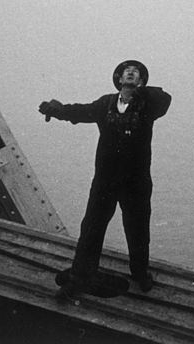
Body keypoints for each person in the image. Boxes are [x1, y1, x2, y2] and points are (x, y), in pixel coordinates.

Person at [39, 60, 171, 300]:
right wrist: (56, 110)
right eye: (126, 72)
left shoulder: (148, 105)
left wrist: (138, 91)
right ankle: (79, 278)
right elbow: (79, 112)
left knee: (138, 229)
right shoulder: (106, 103)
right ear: (118, 79)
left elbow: (165, 99)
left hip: (136, 181)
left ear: (141, 81)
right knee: (91, 228)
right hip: (105, 180)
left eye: (137, 73)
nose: (131, 72)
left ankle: (140, 274)